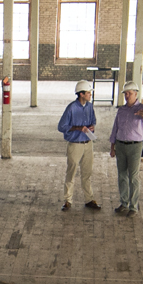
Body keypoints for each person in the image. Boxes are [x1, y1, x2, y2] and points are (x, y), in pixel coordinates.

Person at [58, 79, 100, 211]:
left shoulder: (89, 106)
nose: (90, 95)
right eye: (88, 93)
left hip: (88, 143)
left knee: (87, 173)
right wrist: (77, 128)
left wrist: (92, 127)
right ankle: (67, 200)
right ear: (81, 94)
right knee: (71, 172)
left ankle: (89, 199)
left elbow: (93, 120)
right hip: (75, 144)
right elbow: (61, 126)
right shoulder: (71, 108)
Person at [109, 83, 143, 215]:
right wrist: (112, 146)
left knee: (133, 176)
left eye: (130, 93)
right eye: (125, 94)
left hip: (135, 146)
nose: (127, 96)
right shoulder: (121, 110)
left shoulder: (142, 108)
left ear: (136, 94)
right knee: (122, 175)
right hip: (121, 145)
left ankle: (133, 206)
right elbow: (115, 128)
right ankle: (124, 203)